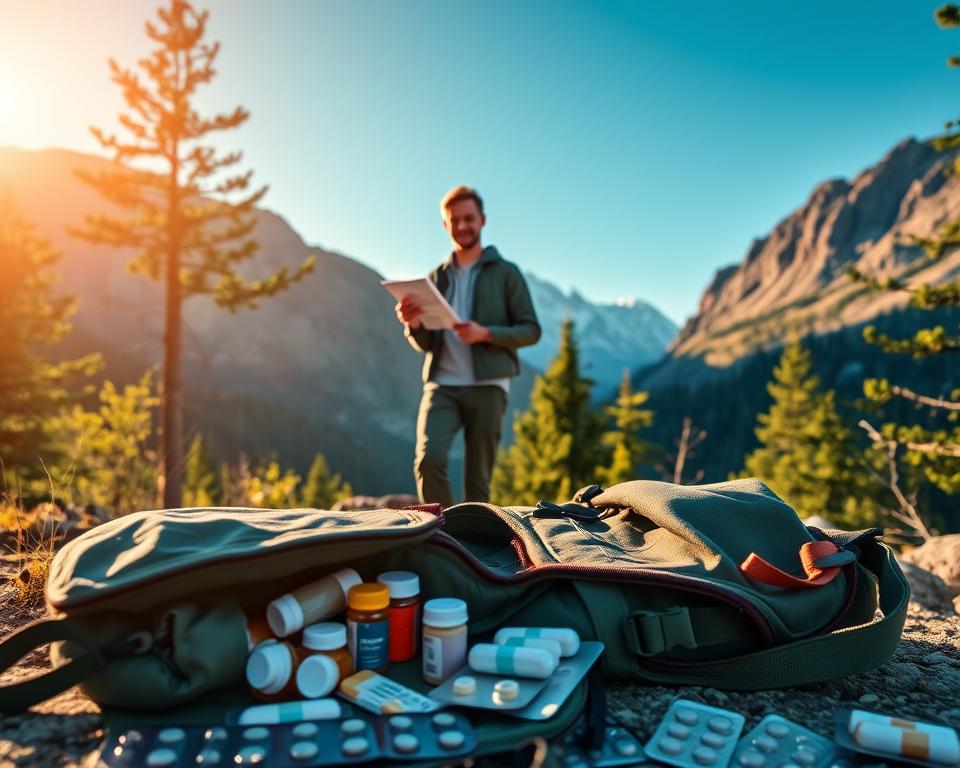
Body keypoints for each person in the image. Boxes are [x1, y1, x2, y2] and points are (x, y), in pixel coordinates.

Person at [395, 185, 541, 506]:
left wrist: (485, 334)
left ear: (482, 220)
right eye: (455, 220)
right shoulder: (436, 277)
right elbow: (428, 342)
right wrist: (414, 324)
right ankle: (444, 535)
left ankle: (470, 549)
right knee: (429, 460)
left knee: (478, 484)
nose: (462, 226)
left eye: (468, 219)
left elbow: (531, 330)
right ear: (446, 225)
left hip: (488, 386)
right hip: (442, 385)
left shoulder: (506, 274)